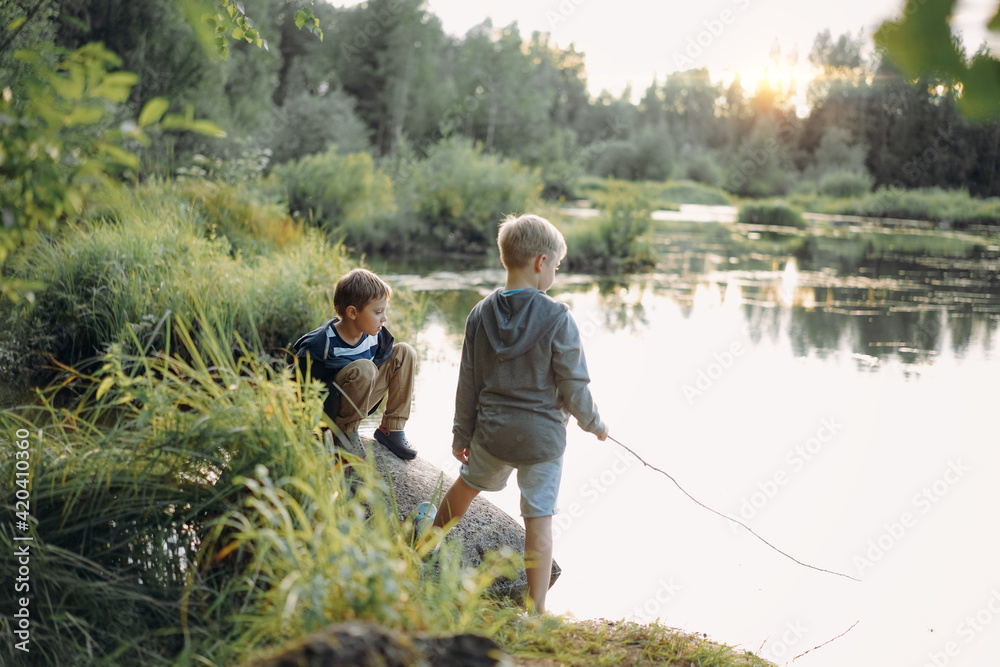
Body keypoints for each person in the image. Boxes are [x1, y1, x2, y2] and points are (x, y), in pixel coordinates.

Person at [431, 213, 608, 614]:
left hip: (491, 434)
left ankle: (424, 544)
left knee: (466, 486)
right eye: (557, 267)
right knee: (539, 520)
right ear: (541, 263)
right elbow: (574, 385)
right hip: (541, 440)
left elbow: (468, 381)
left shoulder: (479, 313)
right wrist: (594, 424)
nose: (555, 276)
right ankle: (537, 611)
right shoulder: (559, 317)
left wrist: (462, 435)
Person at [292, 268, 417, 460]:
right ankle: (343, 435)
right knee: (365, 368)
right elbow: (298, 387)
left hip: (360, 399)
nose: (384, 318)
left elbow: (386, 369)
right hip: (330, 409)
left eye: (384, 311)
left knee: (405, 351)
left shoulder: (376, 336)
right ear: (352, 312)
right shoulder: (321, 343)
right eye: (378, 312)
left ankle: (391, 429)